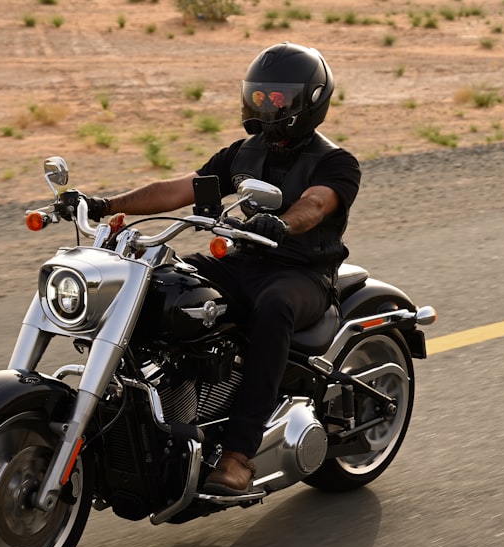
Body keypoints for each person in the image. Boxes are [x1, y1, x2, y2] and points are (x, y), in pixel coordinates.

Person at [77, 42, 361, 495]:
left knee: (273, 309)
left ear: (310, 100)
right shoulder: (241, 153)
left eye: (279, 97)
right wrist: (105, 204)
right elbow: (179, 189)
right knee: (160, 283)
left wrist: (283, 223)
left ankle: (237, 454)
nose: (267, 106)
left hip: (301, 274)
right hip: (242, 261)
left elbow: (316, 203)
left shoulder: (335, 162)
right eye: (260, 96)